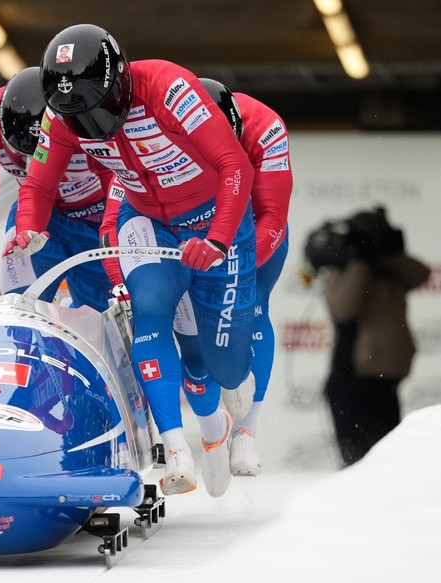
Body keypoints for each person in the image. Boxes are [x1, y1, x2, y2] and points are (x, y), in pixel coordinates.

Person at [4, 24, 257, 496]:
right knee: (150, 311)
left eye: (96, 111)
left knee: (226, 368)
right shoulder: (62, 118)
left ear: (120, 82)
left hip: (214, 223)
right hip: (147, 220)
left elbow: (234, 167)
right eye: (76, 116)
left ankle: (220, 417)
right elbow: (37, 185)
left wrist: (220, 239)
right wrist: (29, 229)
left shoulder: (169, 88)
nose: (89, 125)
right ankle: (175, 446)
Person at [174, 79, 293, 490]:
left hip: (252, 234)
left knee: (252, 304)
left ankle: (247, 431)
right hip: (193, 231)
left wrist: (234, 265)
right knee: (193, 336)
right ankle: (212, 430)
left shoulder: (266, 127)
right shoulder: (169, 126)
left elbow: (274, 216)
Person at [0, 66, 115, 309]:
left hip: (96, 217)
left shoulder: (87, 119)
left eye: (45, 154)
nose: (34, 165)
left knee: (102, 318)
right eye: (23, 155)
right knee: (18, 309)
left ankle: (68, 308)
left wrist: (115, 242)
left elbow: (118, 187)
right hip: (34, 220)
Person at [305, 207, 429, 467]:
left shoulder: (389, 269)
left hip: (382, 382)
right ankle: (356, 505)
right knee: (357, 463)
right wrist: (360, 259)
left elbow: (422, 274)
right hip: (352, 381)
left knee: (387, 460)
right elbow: (345, 309)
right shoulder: (343, 270)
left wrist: (385, 252)